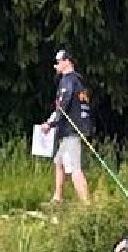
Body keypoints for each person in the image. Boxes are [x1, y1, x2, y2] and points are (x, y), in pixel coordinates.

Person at [37, 50, 92, 204]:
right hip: (75, 128)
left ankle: (87, 205)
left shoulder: (68, 81)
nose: (56, 66)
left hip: (71, 130)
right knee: (59, 161)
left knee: (74, 168)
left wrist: (50, 124)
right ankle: (58, 198)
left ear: (67, 62)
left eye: (58, 62)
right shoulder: (78, 81)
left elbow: (63, 105)